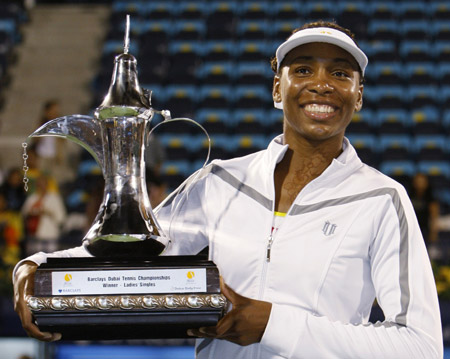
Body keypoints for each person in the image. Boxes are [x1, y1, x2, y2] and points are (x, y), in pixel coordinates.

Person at [13, 21, 443, 358]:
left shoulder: (383, 200)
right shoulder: (219, 182)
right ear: (278, 88)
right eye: (303, 69)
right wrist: (36, 267)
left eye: (341, 72)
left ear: (359, 95)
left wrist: (270, 324)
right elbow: (130, 256)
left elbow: (419, 347)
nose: (322, 83)